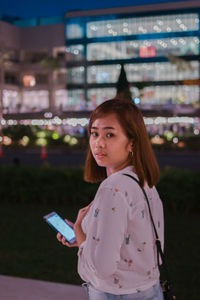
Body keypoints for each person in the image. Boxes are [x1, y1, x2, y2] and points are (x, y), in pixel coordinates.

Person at [57, 98, 164, 300]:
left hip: (116, 295)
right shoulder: (144, 181)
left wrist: (79, 232)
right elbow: (134, 244)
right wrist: (87, 239)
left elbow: (102, 268)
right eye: (94, 133)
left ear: (132, 142)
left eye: (110, 134)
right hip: (150, 289)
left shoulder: (113, 188)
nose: (99, 143)